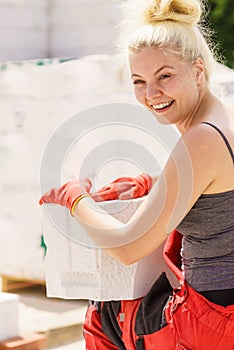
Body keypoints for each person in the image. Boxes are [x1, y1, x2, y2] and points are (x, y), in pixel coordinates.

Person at [40, 0, 234, 348]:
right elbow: (217, 190)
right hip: (223, 310)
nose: (151, 94)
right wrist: (153, 182)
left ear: (198, 70)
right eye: (139, 81)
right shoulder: (224, 120)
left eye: (165, 76)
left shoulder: (202, 137)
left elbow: (128, 245)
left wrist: (74, 199)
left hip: (213, 322)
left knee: (105, 312)